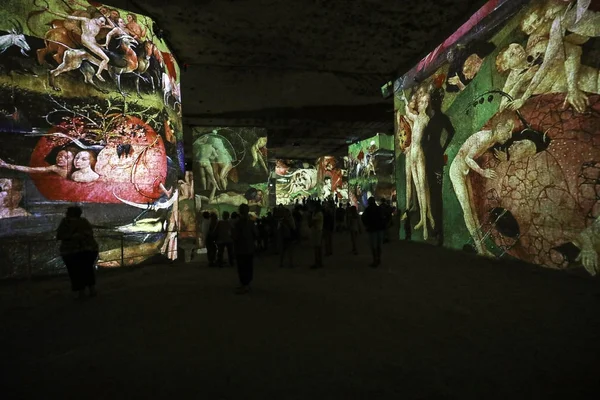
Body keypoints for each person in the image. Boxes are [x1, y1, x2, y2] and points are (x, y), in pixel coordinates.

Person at [449, 111, 515, 256]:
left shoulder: (491, 140)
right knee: (467, 209)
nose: (509, 135)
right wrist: (483, 172)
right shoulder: (485, 138)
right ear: (498, 127)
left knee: (472, 210)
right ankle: (480, 249)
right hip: (457, 171)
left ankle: (482, 249)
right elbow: (468, 159)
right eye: (508, 130)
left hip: (464, 172)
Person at [56, 206, 99, 299]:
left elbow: (59, 235)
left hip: (72, 252)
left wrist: (71, 236)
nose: (66, 213)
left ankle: (81, 292)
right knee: (87, 270)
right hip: (87, 250)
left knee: (75, 273)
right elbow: (89, 233)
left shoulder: (65, 222)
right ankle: (91, 289)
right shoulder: (84, 222)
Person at [232, 203, 257, 294]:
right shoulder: (251, 223)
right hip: (249, 247)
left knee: (242, 267)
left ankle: (244, 284)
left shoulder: (237, 224)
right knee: (248, 266)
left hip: (240, 248)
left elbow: (235, 236)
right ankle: (247, 284)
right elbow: (255, 234)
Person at [361, 197, 385, 267]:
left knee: (373, 246)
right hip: (380, 229)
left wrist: (367, 225)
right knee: (379, 245)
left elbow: (363, 218)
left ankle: (375, 260)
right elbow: (383, 217)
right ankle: (379, 258)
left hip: (372, 229)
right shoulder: (379, 209)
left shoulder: (368, 210)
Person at [309, 201, 324, 268]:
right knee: (317, 247)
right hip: (316, 231)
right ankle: (318, 262)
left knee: (317, 247)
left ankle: (317, 262)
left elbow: (312, 222)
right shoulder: (316, 214)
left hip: (317, 231)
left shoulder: (318, 214)